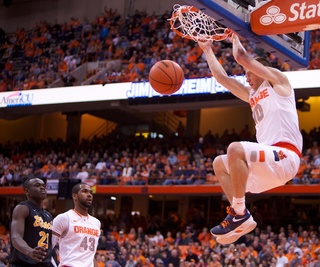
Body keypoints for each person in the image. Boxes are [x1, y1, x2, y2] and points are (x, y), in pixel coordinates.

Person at [198, 33, 302, 245]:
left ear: (260, 71)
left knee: (235, 149)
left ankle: (239, 213)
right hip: (269, 167)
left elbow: (242, 58)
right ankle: (240, 214)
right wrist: (207, 50)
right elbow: (222, 79)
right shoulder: (252, 95)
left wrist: (236, 37)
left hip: (286, 155)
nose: (246, 77)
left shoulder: (279, 83)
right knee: (219, 163)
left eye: (249, 73)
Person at [9, 177, 56, 267]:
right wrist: (29, 251)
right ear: (27, 191)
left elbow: (49, 244)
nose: (42, 187)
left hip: (44, 263)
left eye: (43, 186)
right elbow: (15, 237)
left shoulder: (48, 215)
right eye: (37, 185)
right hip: (24, 263)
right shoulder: (23, 208)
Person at [52, 182, 101, 267]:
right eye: (85, 191)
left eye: (90, 192)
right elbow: (48, 247)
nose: (89, 195)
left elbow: (91, 255)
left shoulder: (96, 222)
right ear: (75, 196)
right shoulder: (64, 218)